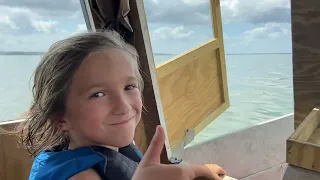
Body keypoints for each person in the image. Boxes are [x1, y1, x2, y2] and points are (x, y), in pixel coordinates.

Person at [17, 30, 226, 180]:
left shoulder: (105, 148)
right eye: (98, 94)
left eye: (129, 87)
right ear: (61, 117)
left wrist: (200, 171)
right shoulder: (81, 176)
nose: (123, 106)